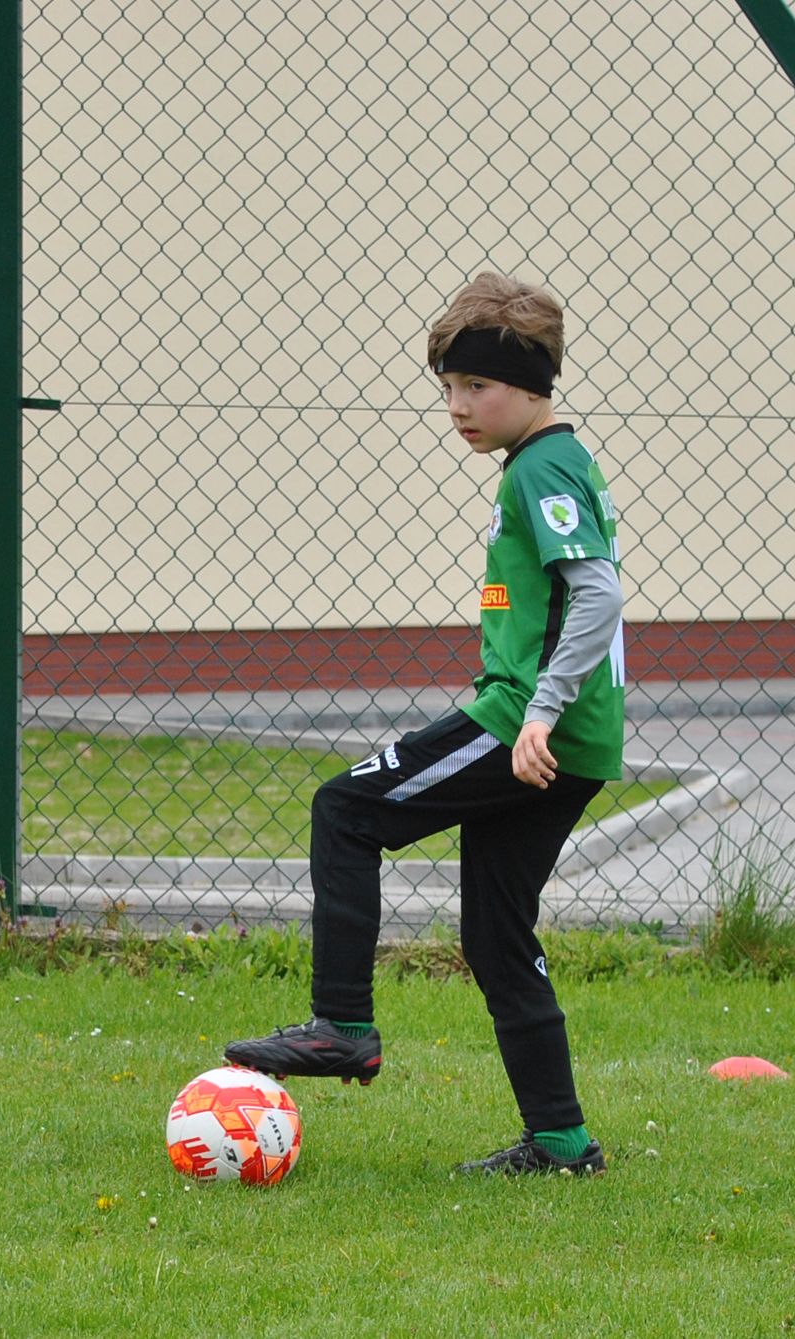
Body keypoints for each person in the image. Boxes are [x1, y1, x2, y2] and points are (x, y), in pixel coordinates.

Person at [224, 271, 624, 1176]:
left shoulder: (546, 466)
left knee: (346, 809)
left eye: (475, 386)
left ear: (531, 385)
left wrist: (543, 711)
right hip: (568, 733)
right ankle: (562, 1143)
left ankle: (343, 1026)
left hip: (527, 721)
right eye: (446, 388)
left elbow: (597, 594)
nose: (458, 407)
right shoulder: (541, 462)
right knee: (496, 937)